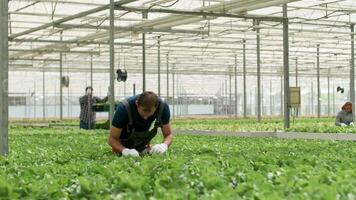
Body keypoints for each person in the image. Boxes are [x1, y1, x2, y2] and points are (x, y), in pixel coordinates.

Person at [108, 91, 172, 157]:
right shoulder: (124, 108)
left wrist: (164, 145)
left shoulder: (163, 107)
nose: (145, 117)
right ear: (137, 104)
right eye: (144, 111)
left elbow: (168, 135)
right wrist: (124, 150)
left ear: (156, 107)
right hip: (123, 139)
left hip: (143, 141)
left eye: (149, 112)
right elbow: (112, 139)